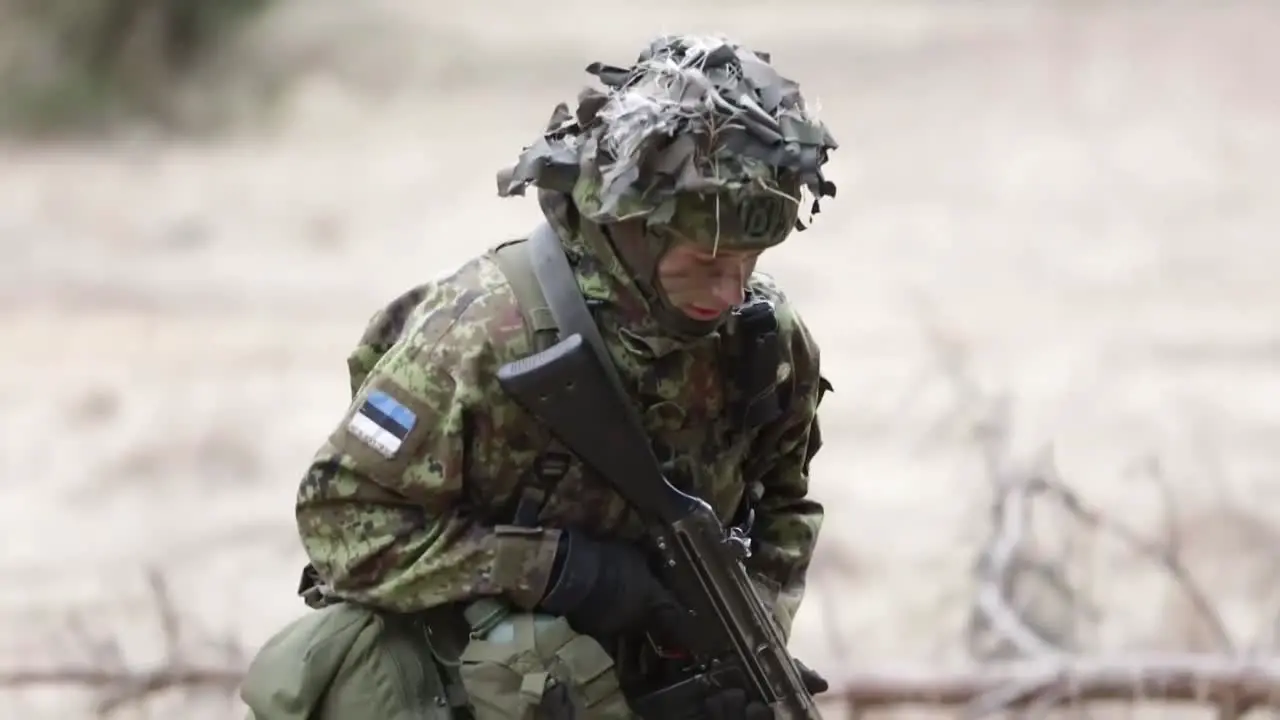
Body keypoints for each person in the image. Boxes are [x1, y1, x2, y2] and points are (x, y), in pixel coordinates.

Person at [239, 33, 839, 720]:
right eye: (705, 264)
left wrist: (738, 636)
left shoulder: (765, 347)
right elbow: (340, 520)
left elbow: (785, 508)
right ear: (635, 230)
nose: (731, 291)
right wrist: (550, 568)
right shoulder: (486, 332)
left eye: (750, 260)